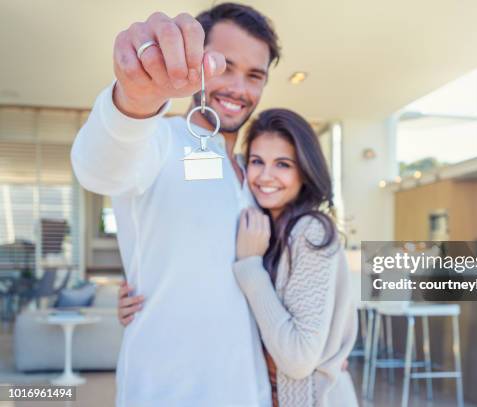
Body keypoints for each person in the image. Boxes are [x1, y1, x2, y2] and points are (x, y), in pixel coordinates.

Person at [71, 3, 281, 406]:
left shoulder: (254, 174)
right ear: (197, 62)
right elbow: (100, 169)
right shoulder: (158, 139)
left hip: (247, 389)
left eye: (254, 75)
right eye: (223, 66)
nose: (239, 88)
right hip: (166, 391)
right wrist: (134, 99)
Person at [123, 108, 360, 406]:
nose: (265, 176)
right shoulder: (262, 224)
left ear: (305, 171)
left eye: (283, 164)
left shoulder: (309, 231)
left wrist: (250, 267)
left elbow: (298, 359)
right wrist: (142, 290)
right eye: (257, 161)